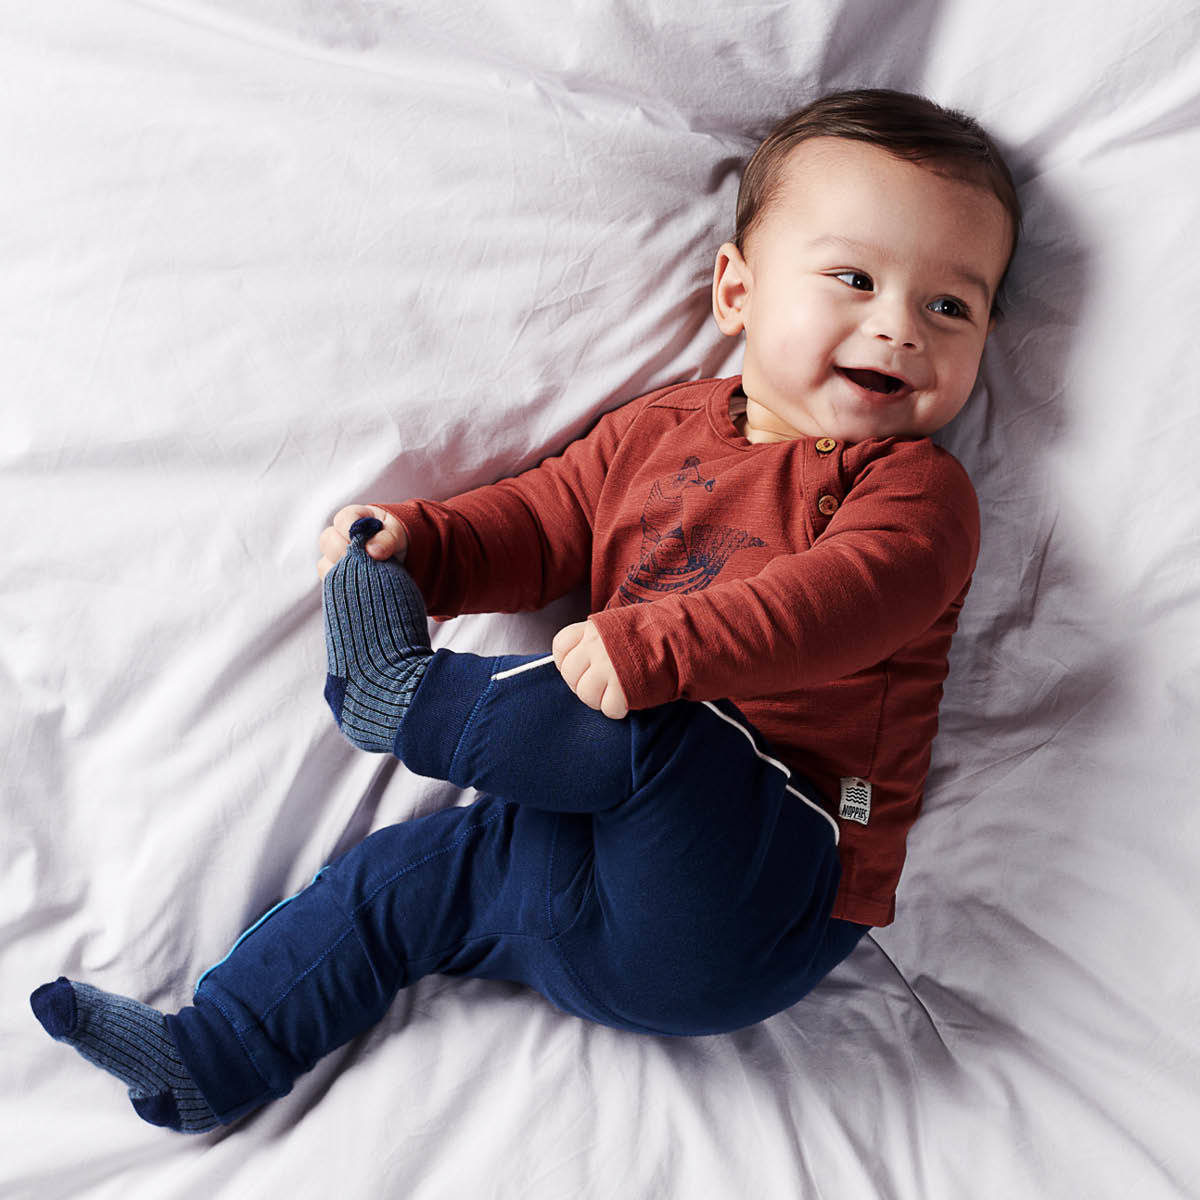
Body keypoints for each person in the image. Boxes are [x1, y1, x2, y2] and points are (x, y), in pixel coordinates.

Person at [30, 87, 1021, 1133]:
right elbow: (542, 522)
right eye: (855, 279)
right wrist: (423, 549)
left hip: (757, 891)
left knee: (658, 730)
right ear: (737, 290)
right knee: (400, 883)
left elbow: (847, 603)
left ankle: (395, 696)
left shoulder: (915, 490)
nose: (898, 327)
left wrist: (654, 648)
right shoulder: (656, 430)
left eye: (949, 308)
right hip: (569, 868)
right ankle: (215, 1053)